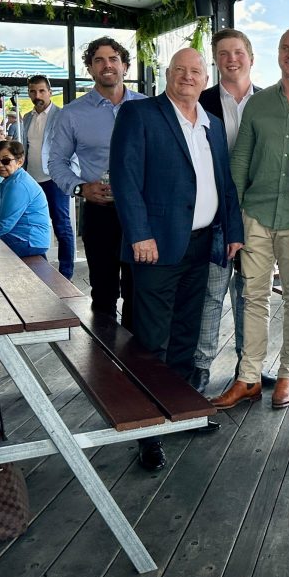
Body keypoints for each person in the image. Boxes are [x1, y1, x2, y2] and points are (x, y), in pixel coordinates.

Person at [111, 48, 244, 471]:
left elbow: (224, 183)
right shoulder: (141, 115)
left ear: (206, 79)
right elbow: (125, 178)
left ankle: (182, 410)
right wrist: (140, 234)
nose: (188, 77)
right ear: (167, 75)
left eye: (196, 72)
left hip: (204, 243)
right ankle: (148, 430)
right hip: (156, 246)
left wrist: (233, 232)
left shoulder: (213, 126)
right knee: (152, 338)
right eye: (180, 70)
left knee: (187, 331)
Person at [216, 27, 289, 410]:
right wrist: (234, 215)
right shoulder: (259, 103)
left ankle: (287, 375)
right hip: (256, 213)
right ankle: (249, 377)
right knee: (253, 297)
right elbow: (240, 161)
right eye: (285, 48)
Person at [47, 37, 145, 328]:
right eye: (99, 60)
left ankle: (138, 367)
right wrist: (80, 188)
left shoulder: (148, 107)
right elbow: (56, 163)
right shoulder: (72, 114)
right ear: (90, 68)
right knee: (103, 292)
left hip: (141, 212)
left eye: (113, 59)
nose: (107, 65)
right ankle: (103, 363)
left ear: (125, 66)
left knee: (139, 291)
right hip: (100, 212)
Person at [191, 29, 262, 394]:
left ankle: (246, 366)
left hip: (257, 214)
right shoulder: (198, 102)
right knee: (212, 291)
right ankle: (201, 367)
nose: (231, 59)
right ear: (215, 61)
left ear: (251, 56)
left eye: (237, 52)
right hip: (217, 212)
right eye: (223, 53)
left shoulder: (270, 102)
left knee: (250, 293)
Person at [22, 75, 75, 279]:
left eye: (42, 91)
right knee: (36, 224)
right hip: (32, 179)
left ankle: (66, 274)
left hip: (55, 179)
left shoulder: (62, 116)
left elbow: (75, 148)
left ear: (50, 92)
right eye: (33, 92)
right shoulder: (27, 118)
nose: (38, 96)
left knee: (61, 224)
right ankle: (40, 268)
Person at [0, 140, 51, 259]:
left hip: (27, 240)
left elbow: (4, 225)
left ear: (20, 161)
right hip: (20, 237)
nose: (0, 165)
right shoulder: (11, 180)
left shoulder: (18, 184)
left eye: (6, 161)